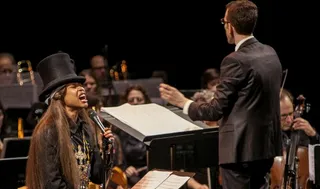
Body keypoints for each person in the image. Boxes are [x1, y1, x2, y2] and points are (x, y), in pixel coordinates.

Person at [159, 1, 283, 188]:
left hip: (239, 153)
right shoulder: (270, 53)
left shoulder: (234, 60)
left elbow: (215, 110)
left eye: (224, 23)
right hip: (265, 150)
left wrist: (183, 102)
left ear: (231, 27)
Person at [26, 53, 114, 189]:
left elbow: (97, 177)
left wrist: (107, 151)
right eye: (73, 86)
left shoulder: (85, 127)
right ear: (59, 94)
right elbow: (52, 184)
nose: (81, 89)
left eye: (80, 85)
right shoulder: (48, 131)